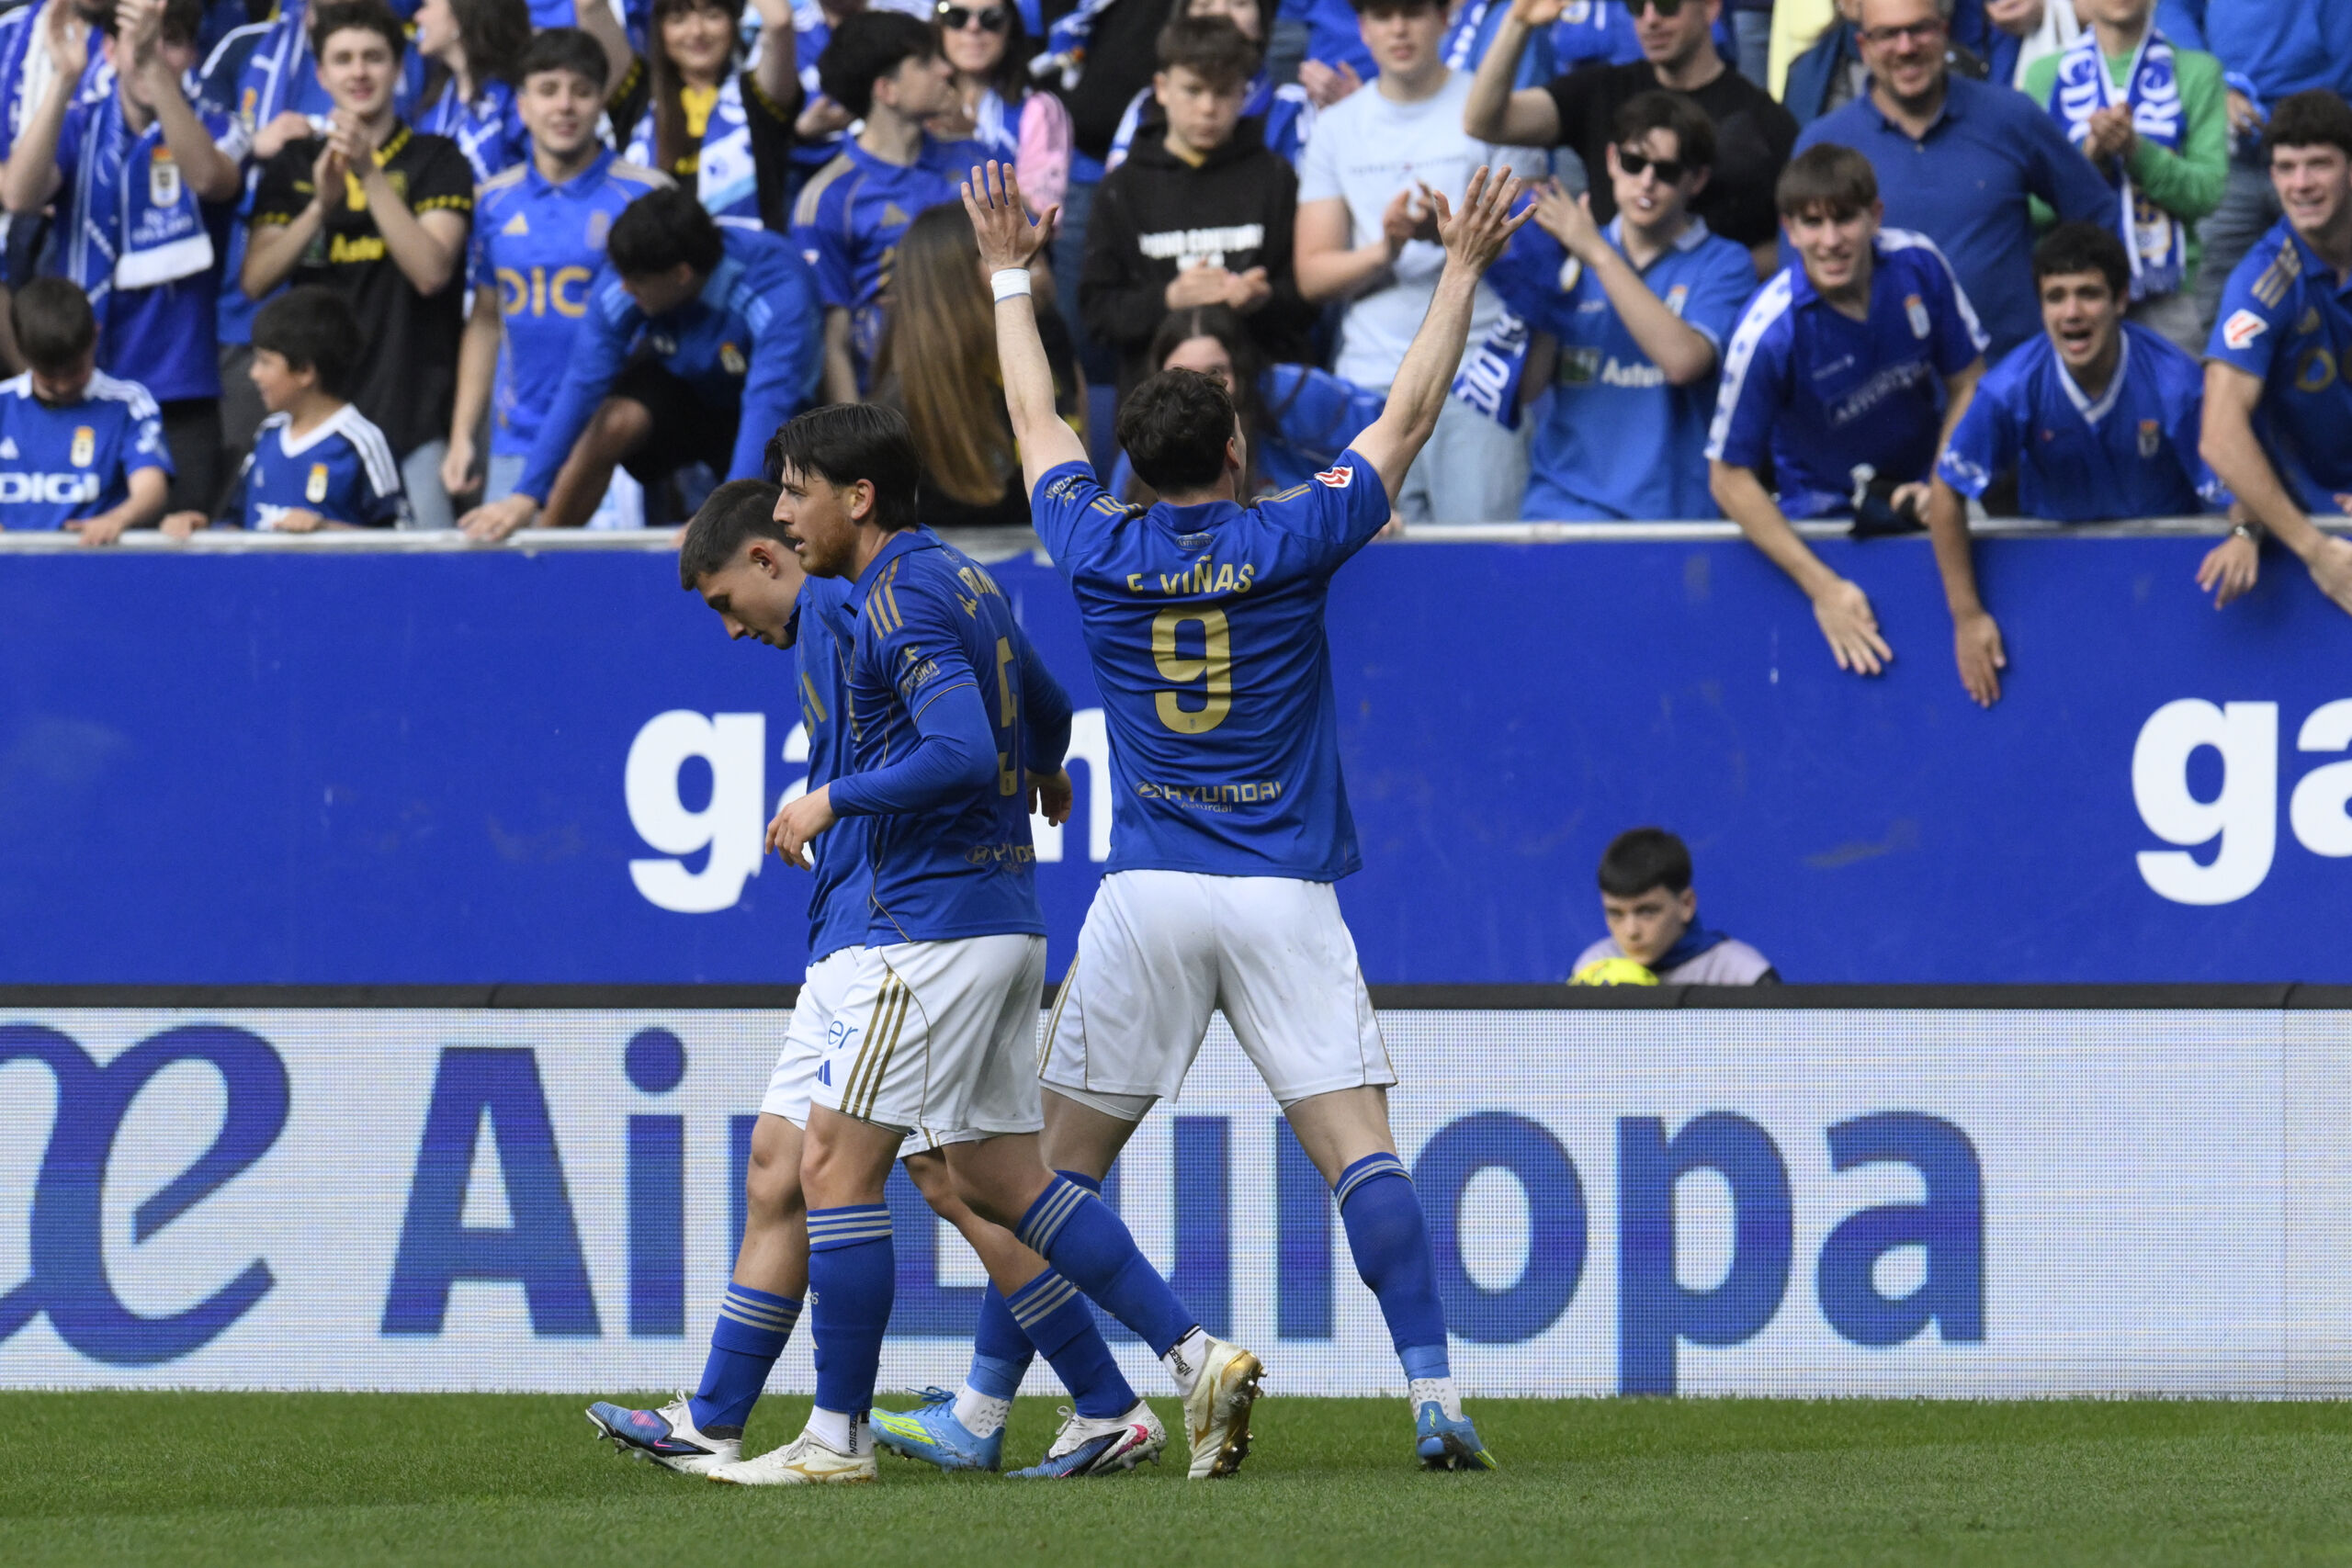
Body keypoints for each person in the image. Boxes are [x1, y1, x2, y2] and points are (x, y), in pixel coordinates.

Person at [974, 155, 1529, 1470]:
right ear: (1235, 450)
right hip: (1281, 890)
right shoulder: (1293, 535)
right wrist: (1459, 269)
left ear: (1134, 461)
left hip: (1151, 890)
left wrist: (1011, 271)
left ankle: (990, 1406)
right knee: (1360, 1155)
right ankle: (1437, 1396)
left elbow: (1032, 412)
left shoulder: (1092, 541)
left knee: (1048, 1175)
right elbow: (1408, 409)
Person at [587, 477, 1157, 1484]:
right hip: (862, 928)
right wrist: (1045, 762)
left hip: (905, 932)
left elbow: (972, 717)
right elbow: (1030, 688)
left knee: (924, 1174)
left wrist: (995, 768)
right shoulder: (843, 609)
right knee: (794, 1161)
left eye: (724, 601)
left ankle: (863, 1430)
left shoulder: (854, 600)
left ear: (773, 555)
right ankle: (717, 1416)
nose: (726, 630)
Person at [742, 400, 1261, 1487]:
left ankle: (832, 1441)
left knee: (833, 1165)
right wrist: (1051, 768)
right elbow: (1051, 705)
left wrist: (828, 798)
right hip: (1002, 923)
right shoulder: (964, 577)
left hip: (923, 931)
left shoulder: (892, 598)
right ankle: (1195, 1356)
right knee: (998, 1174)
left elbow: (960, 747)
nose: (785, 513)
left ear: (858, 496)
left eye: (796, 490)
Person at [1706, 144, 1988, 678]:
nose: (1830, 240)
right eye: (1812, 224)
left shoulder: (1919, 265)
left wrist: (1943, 486)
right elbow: (1727, 476)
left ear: (1875, 217)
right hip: (1823, 533)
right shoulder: (1768, 332)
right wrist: (1823, 588)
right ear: (1789, 230)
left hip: (1929, 515)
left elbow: (1969, 380)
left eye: (1844, 219)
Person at [1926, 223, 2227, 705]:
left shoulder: (2176, 383)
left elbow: (2235, 490)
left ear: (2121, 299)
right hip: (2056, 586)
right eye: (2056, 296)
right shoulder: (2010, 390)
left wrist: (2243, 534)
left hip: (2165, 583)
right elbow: (1946, 493)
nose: (2072, 313)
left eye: (2089, 294)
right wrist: (1967, 617)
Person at [1295, 0, 1545, 523]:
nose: (1400, 28)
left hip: (1479, 379)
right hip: (1369, 384)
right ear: (1362, 28)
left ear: (1445, 18)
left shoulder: (1492, 107)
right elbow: (1312, 275)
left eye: (1413, 11)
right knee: (1373, 580)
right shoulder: (1337, 127)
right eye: (1384, 15)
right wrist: (1386, 249)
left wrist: (1451, 241)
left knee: (1483, 574)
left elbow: (1534, 253)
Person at [457, 186, 821, 538]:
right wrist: (526, 494)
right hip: (684, 388)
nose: (624, 289)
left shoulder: (776, 285)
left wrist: (724, 514)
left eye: (637, 282)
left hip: (767, 417)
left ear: (681, 275)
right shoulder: (627, 274)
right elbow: (583, 382)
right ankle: (542, 550)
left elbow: (769, 402)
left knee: (749, 519)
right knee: (612, 420)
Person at [2, 0, 242, 515]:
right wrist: (64, 80)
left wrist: (152, 65)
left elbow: (206, 177)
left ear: (191, 54)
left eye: (171, 41)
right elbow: (18, 196)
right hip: (82, 384)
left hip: (177, 390)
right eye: (141, 42)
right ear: (108, 50)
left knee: (177, 569)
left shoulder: (219, 128)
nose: (153, 55)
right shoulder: (80, 124)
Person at [243, 0, 473, 532]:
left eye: (373, 57)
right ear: (321, 74)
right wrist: (320, 208)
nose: (359, 72)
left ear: (398, 68)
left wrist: (369, 174)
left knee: (421, 585)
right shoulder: (296, 163)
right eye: (343, 59)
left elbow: (431, 271)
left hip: (413, 420)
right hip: (316, 425)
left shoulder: (437, 159)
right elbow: (256, 279)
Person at [1479, 90, 1756, 520]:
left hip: (1672, 515)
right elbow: (1529, 389)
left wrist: (1598, 255)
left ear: (1696, 180)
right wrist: (1541, 285)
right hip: (1562, 506)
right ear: (1611, 160)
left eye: (1666, 171)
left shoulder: (1724, 262)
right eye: (1633, 163)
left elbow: (1684, 363)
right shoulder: (1567, 251)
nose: (1646, 182)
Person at [1792, 0, 2111, 362]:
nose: (1906, 47)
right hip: (1887, 393)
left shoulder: (2010, 116)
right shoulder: (1825, 144)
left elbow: (2097, 213)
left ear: (1944, 34)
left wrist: (2077, 311)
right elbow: (1801, 285)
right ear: (1863, 47)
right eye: (1888, 35)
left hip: (2014, 384)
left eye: (1919, 29)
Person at [443, 28, 669, 513]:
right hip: (516, 445)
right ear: (522, 106)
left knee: (617, 590)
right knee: (514, 589)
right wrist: (463, 434)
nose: (564, 106)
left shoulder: (647, 196)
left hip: (616, 445)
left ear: (601, 102)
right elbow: (485, 319)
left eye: (581, 91)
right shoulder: (493, 202)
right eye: (548, 91)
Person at [1463, 0, 1798, 277]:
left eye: (1668, 6)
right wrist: (1518, 22)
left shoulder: (1766, 120)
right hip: (1602, 322)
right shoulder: (1602, 89)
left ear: (1710, 8)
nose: (1650, 19)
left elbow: (1793, 241)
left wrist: (1708, 276)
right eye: (1637, 6)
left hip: (1709, 325)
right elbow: (1484, 122)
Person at [1080, 15, 1317, 393]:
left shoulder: (1275, 177)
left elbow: (1307, 302)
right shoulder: (1121, 187)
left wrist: (1263, 299)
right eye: (1193, 90)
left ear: (1244, 93)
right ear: (1161, 88)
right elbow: (1097, 314)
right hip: (1153, 409)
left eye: (1223, 92)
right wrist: (1170, 298)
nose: (1208, 108)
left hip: (1261, 399)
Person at [2199, 89, 2352, 625]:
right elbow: (2219, 433)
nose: (2301, 184)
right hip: (2305, 524)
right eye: (2286, 168)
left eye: (2319, 165)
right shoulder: (2262, 281)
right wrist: (2317, 552)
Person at [793, 9, 983, 400]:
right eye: (925, 62)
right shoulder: (826, 199)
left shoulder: (978, 162)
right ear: (887, 91)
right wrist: (859, 449)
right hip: (895, 404)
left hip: (990, 381)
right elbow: (834, 343)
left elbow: (1039, 283)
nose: (946, 70)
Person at [2024, 0, 2225, 355]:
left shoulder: (2197, 72)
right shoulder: (2043, 75)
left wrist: (2137, 152)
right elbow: (2028, 208)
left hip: (2166, 298)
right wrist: (2085, 163)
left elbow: (2206, 194)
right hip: (2070, 292)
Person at [869, 201, 1081, 528]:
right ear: (949, 281)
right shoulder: (902, 405)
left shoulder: (1049, 333)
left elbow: (1083, 474)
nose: (1027, 268)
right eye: (998, 255)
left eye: (1033, 253)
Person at [2163, 0, 2352, 333]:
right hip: (2233, 151)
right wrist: (2212, 83)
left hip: (2334, 144)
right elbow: (2173, 8)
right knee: (2221, 315)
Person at [165, 284, 406, 532]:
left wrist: (325, 529)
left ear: (305, 371)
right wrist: (201, 530)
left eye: (265, 362)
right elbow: (237, 520)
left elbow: (398, 545)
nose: (254, 373)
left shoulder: (361, 443)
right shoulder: (266, 435)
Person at [1106, 304, 1388, 500]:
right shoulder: (1145, 443)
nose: (1198, 390)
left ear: (1242, 371)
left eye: (1216, 373)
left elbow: (1396, 429)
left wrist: (1373, 500)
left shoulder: (1293, 395)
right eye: (1182, 375)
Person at [0, 276, 169, 539]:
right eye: (49, 375)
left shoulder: (129, 403)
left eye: (75, 370)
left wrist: (117, 519)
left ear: (95, 336)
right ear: (23, 352)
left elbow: (151, 487)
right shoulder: (4, 404)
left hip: (93, 562)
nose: (65, 385)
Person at [613, 0, 799, 230]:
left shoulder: (756, 95)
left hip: (747, 261)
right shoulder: (637, 96)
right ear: (658, 29)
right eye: (678, 19)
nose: (697, 31)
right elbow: (590, 6)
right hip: (651, 261)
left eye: (712, 15)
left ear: (734, 22)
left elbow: (779, 22)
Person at [1105, 0, 1313, 172]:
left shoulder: (1292, 108)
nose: (1222, 14)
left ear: (1262, 23)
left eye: (1239, 4)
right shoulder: (1148, 105)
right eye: (1205, 4)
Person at [1568, 828, 1776, 985]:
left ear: (1686, 904)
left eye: (1647, 912)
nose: (1631, 932)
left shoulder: (1741, 975)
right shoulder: (1591, 968)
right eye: (1616, 914)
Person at [930, 0, 1073, 209]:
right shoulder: (917, 102)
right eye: (956, 16)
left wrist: (969, 144)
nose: (973, 28)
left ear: (1011, 28)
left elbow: (1039, 213)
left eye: (991, 18)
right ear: (938, 26)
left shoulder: (1040, 110)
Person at [411, 0, 530, 184]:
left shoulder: (516, 97)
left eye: (426, 6)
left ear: (458, 17)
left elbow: (546, 167)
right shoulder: (433, 104)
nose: (417, 17)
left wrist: (480, 196)